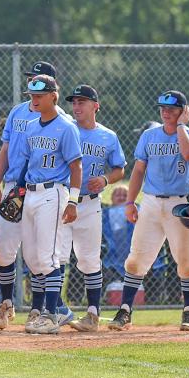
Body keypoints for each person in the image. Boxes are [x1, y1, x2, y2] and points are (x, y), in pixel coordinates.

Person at [108, 91, 189, 332]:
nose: (165, 112)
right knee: (136, 258)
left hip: (181, 203)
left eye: (172, 109)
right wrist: (130, 203)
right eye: (162, 108)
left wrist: (181, 125)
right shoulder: (149, 136)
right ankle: (125, 310)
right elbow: (138, 171)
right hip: (150, 202)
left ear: (183, 111)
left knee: (187, 261)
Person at [0, 61, 70, 331]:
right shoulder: (17, 113)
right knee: (2, 250)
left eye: (39, 80)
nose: (32, 82)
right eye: (30, 79)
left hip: (41, 188)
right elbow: (6, 150)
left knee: (39, 254)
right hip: (14, 186)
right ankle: (7, 304)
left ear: (52, 88)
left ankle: (39, 309)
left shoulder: (61, 122)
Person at [11, 75, 82, 334]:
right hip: (30, 193)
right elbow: (26, 165)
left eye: (39, 95)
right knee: (32, 258)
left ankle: (51, 315)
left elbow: (76, 166)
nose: (35, 100)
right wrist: (17, 192)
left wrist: (72, 201)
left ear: (54, 96)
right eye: (32, 95)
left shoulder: (66, 126)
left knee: (48, 256)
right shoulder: (31, 126)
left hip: (54, 193)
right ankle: (44, 311)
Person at [57, 85, 126, 332]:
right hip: (64, 200)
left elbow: (119, 168)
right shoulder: (65, 130)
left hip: (91, 204)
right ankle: (56, 310)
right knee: (59, 255)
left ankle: (93, 315)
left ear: (95, 106)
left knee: (89, 259)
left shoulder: (108, 136)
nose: (76, 107)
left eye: (82, 102)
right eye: (74, 102)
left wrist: (106, 179)